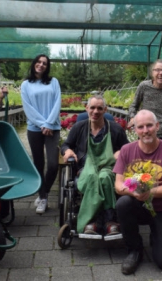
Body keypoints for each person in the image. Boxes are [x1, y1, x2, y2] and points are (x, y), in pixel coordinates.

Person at [114, 109, 162, 275]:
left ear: (157, 126)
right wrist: (135, 193)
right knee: (123, 203)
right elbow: (118, 185)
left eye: (149, 126)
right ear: (135, 130)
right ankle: (134, 250)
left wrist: (150, 192)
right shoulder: (126, 150)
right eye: (140, 127)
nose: (145, 130)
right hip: (138, 206)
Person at [61, 95, 129, 235]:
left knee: (104, 177)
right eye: (92, 108)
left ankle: (101, 222)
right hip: (85, 168)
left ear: (105, 109)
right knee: (92, 176)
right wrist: (67, 151)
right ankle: (99, 222)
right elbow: (66, 145)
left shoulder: (115, 129)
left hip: (108, 168)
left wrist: (121, 152)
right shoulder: (79, 127)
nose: (95, 111)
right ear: (87, 109)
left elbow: (128, 148)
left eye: (99, 108)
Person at [21, 54, 61, 214]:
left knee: (53, 164)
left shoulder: (53, 82)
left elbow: (57, 102)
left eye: (44, 63)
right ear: (34, 63)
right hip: (34, 128)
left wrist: (49, 123)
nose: (41, 65)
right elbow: (28, 108)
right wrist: (43, 124)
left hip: (53, 128)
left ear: (47, 66)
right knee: (38, 163)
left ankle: (44, 191)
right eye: (38, 61)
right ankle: (43, 198)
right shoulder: (25, 84)